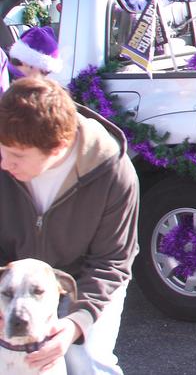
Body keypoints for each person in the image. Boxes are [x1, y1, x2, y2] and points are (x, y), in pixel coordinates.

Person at [0, 77, 139, 374]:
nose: (4, 163)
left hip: (87, 278)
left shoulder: (112, 172)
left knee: (86, 358)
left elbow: (112, 261)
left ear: (59, 147)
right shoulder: (6, 151)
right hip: (9, 281)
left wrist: (75, 324)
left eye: (17, 156)